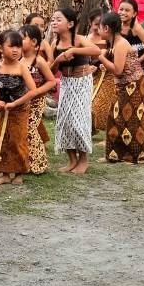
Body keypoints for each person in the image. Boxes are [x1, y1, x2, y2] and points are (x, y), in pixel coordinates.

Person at [49, 9, 101, 173]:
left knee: (79, 121)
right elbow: (50, 70)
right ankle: (72, 160)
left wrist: (74, 50)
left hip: (82, 82)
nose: (54, 22)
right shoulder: (54, 44)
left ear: (70, 24)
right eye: (53, 20)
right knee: (65, 122)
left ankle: (83, 160)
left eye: (58, 19)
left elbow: (96, 51)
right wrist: (59, 59)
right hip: (66, 82)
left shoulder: (78, 39)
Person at [97, 13, 144, 164]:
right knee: (116, 118)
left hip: (132, 85)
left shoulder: (121, 44)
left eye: (99, 27)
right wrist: (105, 63)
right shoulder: (114, 42)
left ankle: (136, 156)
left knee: (131, 120)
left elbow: (118, 70)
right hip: (124, 84)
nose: (97, 31)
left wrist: (101, 57)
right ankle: (116, 155)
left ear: (107, 28)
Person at [0, 30, 37, 185]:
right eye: (11, 46)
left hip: (19, 110)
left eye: (18, 46)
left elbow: (33, 90)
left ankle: (19, 172)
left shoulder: (22, 67)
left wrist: (16, 103)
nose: (16, 50)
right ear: (0, 47)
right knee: (3, 139)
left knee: (18, 140)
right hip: (3, 110)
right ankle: (4, 173)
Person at [19, 24, 57, 175]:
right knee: (21, 131)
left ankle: (39, 163)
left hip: (36, 102)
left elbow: (52, 81)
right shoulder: (18, 60)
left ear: (34, 42)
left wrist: (37, 92)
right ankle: (25, 161)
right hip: (22, 102)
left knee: (30, 129)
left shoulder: (39, 61)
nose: (17, 42)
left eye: (22, 38)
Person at [88, 9, 114, 134]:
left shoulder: (110, 40)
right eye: (96, 24)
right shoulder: (86, 40)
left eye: (101, 25)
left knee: (101, 103)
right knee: (90, 104)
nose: (99, 28)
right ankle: (91, 129)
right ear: (90, 23)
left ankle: (108, 132)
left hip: (109, 75)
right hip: (92, 75)